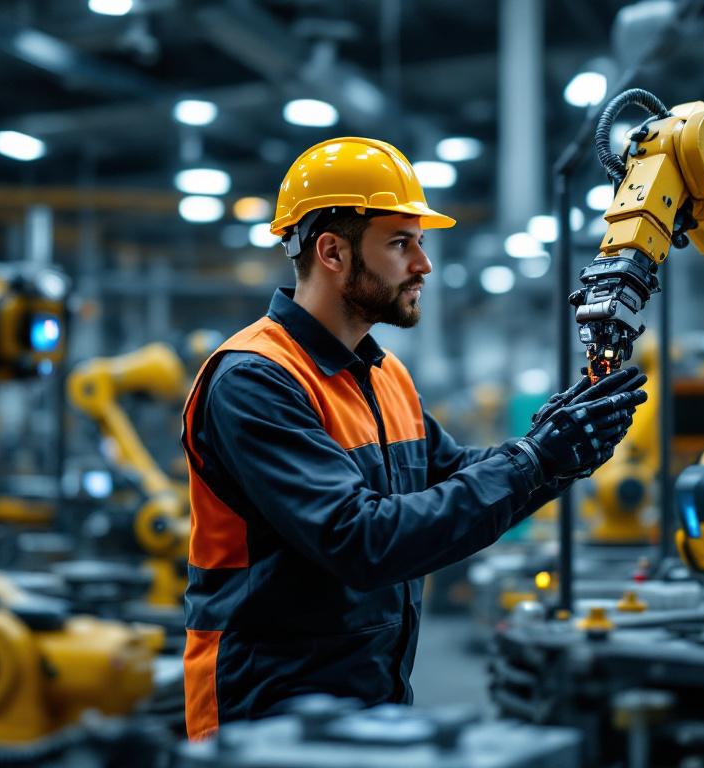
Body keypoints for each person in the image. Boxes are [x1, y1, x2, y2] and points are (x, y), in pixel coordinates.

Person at [179, 137, 647, 739]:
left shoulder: (383, 373)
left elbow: (452, 477)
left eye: (419, 242)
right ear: (332, 252)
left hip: (371, 698)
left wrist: (560, 454)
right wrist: (531, 460)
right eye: (401, 243)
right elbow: (362, 540)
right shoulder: (255, 380)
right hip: (264, 713)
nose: (423, 264)